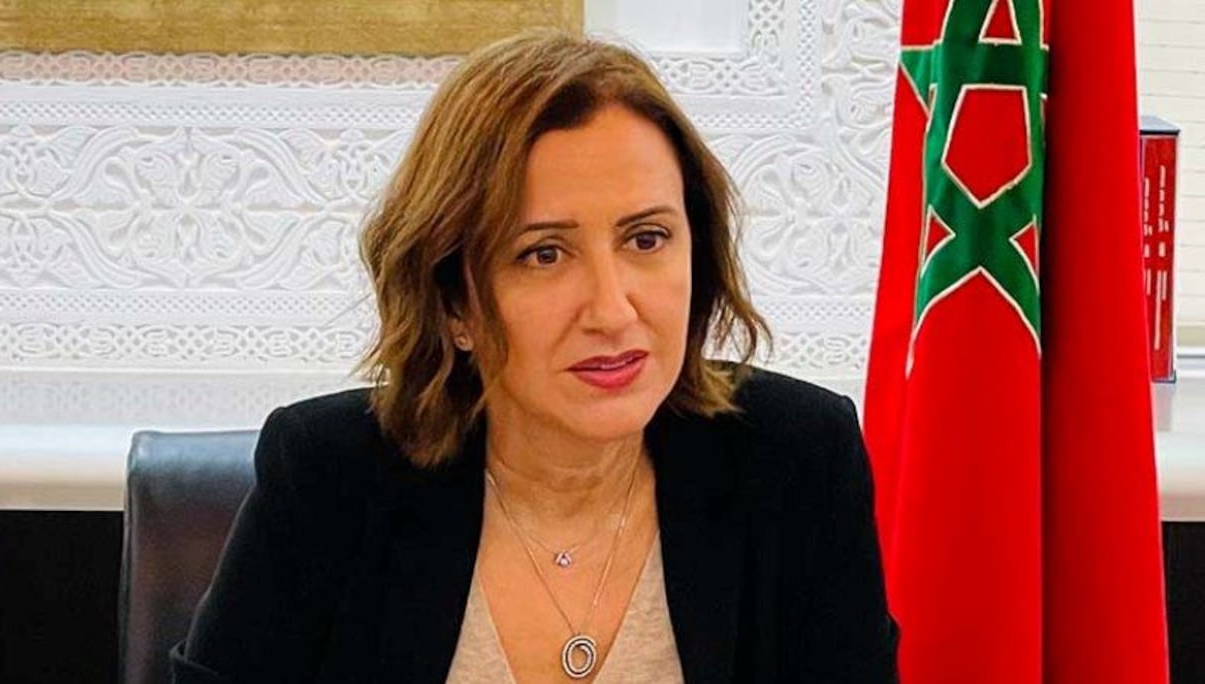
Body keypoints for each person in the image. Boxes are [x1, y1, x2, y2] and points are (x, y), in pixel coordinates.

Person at [171, 30, 898, 683]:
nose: (612, 311)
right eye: (543, 254)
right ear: (454, 301)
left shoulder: (796, 459)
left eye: (646, 239)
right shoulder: (330, 478)